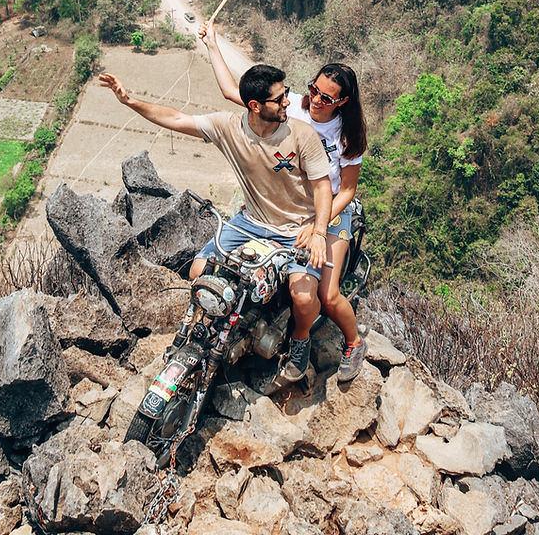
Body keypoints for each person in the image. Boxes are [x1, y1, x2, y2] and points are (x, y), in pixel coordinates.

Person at [98, 63, 333, 384]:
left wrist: (319, 231)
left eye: (286, 94)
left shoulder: (302, 136)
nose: (288, 103)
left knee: (304, 299)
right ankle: (212, 330)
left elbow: (322, 186)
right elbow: (176, 118)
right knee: (198, 272)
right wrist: (130, 101)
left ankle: (301, 340)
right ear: (255, 106)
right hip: (251, 221)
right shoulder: (228, 127)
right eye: (279, 99)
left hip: (297, 229)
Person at [200, 20, 368, 384]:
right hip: (286, 208)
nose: (317, 100)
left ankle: (348, 342)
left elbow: (347, 191)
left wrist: (318, 226)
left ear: (342, 102)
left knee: (326, 293)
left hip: (330, 214)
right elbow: (233, 91)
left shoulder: (346, 136)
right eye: (314, 90)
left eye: (327, 97)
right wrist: (212, 45)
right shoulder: (290, 109)